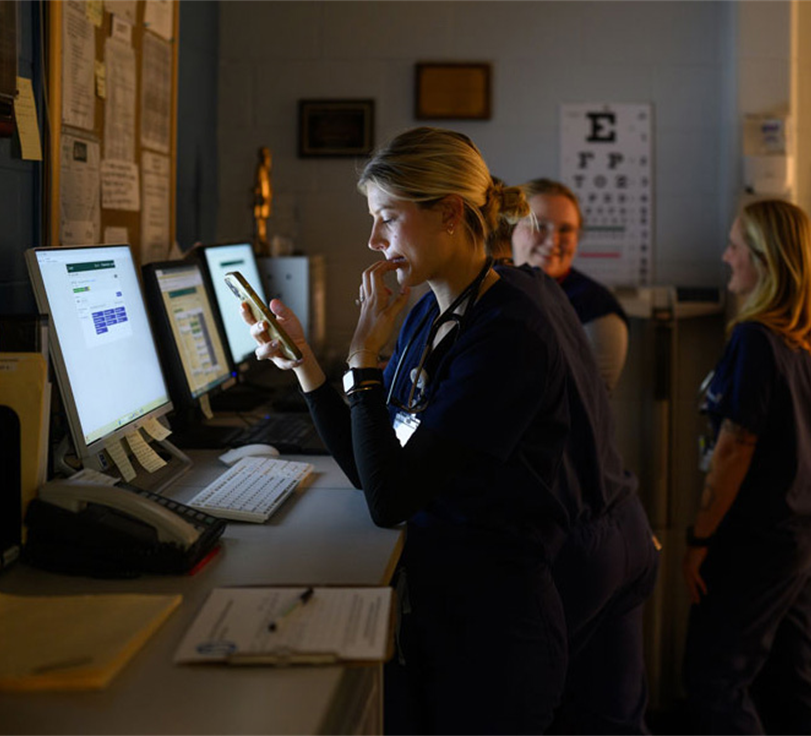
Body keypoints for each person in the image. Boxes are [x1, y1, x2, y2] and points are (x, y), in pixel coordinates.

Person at [242, 127, 578, 734]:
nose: (374, 240)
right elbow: (378, 473)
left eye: (387, 218)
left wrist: (363, 360)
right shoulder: (432, 308)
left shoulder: (508, 334)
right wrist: (308, 368)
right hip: (440, 613)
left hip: (494, 638)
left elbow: (391, 500)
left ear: (450, 213)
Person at [487, 216, 660, 735]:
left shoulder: (529, 303)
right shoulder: (547, 293)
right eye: (537, 225)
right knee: (612, 716)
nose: (549, 239)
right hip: (614, 521)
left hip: (588, 531)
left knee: (537, 709)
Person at [682, 199, 811, 736]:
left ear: (766, 261)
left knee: (713, 679)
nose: (725, 257)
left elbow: (734, 449)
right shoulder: (808, 338)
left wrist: (699, 538)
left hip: (763, 538)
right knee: (794, 679)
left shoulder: (754, 338)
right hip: (808, 529)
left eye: (735, 247)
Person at [511, 178, 629, 393]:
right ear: (511, 227)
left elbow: (587, 406)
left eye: (565, 229)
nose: (552, 241)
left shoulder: (595, 309)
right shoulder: (493, 291)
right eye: (539, 225)